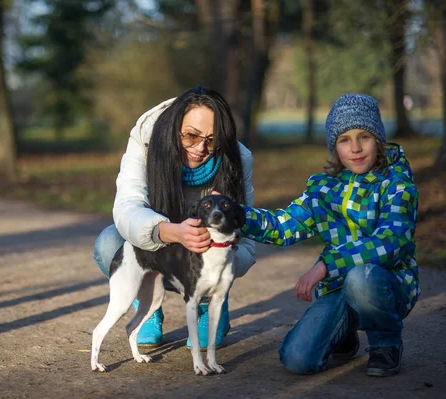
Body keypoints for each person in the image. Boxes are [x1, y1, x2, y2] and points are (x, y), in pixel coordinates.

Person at [238, 93, 419, 377]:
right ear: (334, 146)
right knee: (297, 359)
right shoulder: (323, 189)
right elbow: (284, 225)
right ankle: (343, 336)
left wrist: (326, 265)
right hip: (337, 290)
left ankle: (386, 344)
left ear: (378, 139)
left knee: (362, 277)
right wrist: (238, 216)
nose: (356, 148)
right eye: (344, 139)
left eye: (364, 137)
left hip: (386, 287)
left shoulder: (397, 185)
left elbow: (391, 242)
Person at [93, 86, 257, 348]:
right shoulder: (145, 139)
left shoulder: (238, 158)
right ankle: (147, 303)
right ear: (175, 127)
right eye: (191, 136)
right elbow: (127, 207)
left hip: (205, 257)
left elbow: (247, 240)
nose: (201, 148)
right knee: (108, 243)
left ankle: (211, 304)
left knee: (202, 344)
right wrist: (170, 231)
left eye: (212, 140)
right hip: (161, 244)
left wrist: (221, 267)